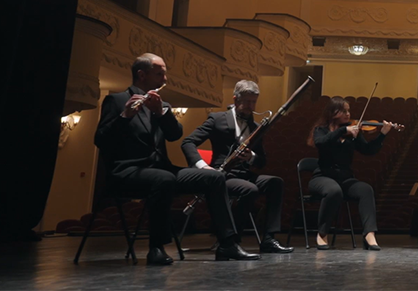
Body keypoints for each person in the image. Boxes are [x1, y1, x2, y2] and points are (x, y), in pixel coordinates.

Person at [93, 53, 258, 265]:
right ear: (142, 75)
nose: (164, 79)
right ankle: (156, 248)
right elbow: (101, 140)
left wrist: (161, 114)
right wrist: (125, 117)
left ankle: (227, 244)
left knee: (215, 178)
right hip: (126, 172)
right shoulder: (116, 101)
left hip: (162, 170)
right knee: (164, 179)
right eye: (159, 74)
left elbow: (175, 135)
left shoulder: (161, 105)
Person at [181, 80, 292, 254]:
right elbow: (188, 142)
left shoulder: (256, 127)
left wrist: (251, 157)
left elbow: (262, 161)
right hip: (222, 176)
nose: (251, 106)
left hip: (245, 174)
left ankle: (269, 239)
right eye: (247, 101)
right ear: (235, 99)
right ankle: (231, 240)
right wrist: (203, 168)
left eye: (254, 102)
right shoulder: (217, 119)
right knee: (249, 189)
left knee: (275, 183)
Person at [307, 97, 394, 250]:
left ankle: (369, 235)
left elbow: (368, 150)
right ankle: (322, 234)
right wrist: (343, 130)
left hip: (345, 179)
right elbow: (321, 143)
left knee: (366, 189)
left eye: (348, 110)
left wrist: (382, 134)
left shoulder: (353, 131)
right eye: (344, 111)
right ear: (333, 112)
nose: (348, 114)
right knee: (333, 190)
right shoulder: (321, 130)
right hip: (323, 177)